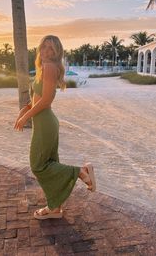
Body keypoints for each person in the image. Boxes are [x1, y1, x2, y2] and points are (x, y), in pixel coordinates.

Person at [14, 35, 96, 220]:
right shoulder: (43, 68)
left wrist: (27, 116)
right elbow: (38, 97)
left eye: (51, 49)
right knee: (51, 164)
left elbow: (46, 100)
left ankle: (81, 172)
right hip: (44, 122)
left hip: (45, 123)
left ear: (57, 52)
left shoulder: (50, 67)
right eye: (44, 47)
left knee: (38, 165)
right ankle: (55, 207)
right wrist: (24, 109)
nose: (46, 52)